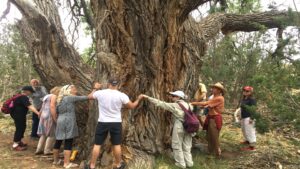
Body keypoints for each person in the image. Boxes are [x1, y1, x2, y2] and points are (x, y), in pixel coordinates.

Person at [85, 78, 142, 169]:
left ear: (108, 84)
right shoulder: (122, 95)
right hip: (116, 122)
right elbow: (132, 106)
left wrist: (95, 88)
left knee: (97, 144)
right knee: (116, 144)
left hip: (102, 122)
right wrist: (138, 99)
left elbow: (89, 97)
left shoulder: (101, 93)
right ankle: (119, 164)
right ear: (118, 85)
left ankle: (92, 166)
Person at [141, 91, 194, 169]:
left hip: (179, 126)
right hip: (190, 127)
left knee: (177, 145)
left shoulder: (175, 105)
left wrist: (148, 97)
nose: (171, 97)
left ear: (178, 97)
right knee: (187, 146)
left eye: (173, 96)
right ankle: (189, 163)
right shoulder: (189, 105)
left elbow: (161, 103)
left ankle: (181, 164)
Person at [53, 84, 97, 168]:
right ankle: (66, 163)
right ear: (68, 90)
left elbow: (56, 111)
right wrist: (95, 88)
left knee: (58, 140)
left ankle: (55, 161)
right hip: (68, 121)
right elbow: (89, 97)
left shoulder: (60, 99)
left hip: (60, 120)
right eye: (74, 88)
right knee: (68, 141)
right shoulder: (69, 98)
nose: (76, 90)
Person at [191, 82, 225, 157]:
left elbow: (206, 103)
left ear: (219, 90)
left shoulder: (219, 98)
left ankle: (217, 154)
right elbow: (209, 105)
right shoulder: (213, 97)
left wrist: (193, 103)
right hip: (210, 118)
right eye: (213, 88)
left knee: (214, 136)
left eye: (215, 88)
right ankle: (211, 152)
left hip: (215, 119)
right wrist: (206, 107)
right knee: (209, 136)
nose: (212, 89)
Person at [10, 86, 40, 151]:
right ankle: (15, 145)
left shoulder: (19, 96)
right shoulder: (23, 97)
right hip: (18, 115)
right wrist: (38, 113)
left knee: (22, 127)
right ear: (27, 91)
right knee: (20, 128)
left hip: (17, 114)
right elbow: (30, 106)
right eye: (31, 92)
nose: (31, 93)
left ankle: (19, 141)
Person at [35, 86, 61, 155]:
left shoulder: (47, 96)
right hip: (49, 116)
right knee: (52, 133)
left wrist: (40, 114)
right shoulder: (54, 96)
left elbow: (42, 106)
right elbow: (52, 106)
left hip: (43, 115)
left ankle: (39, 149)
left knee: (43, 134)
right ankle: (47, 150)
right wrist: (55, 117)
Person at [238, 86, 257, 151]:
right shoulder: (244, 99)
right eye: (244, 90)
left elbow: (254, 109)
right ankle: (247, 140)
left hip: (249, 117)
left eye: (247, 91)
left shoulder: (252, 99)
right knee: (244, 130)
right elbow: (242, 108)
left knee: (250, 131)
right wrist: (240, 115)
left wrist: (252, 118)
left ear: (251, 92)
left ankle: (252, 146)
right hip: (244, 117)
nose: (245, 92)